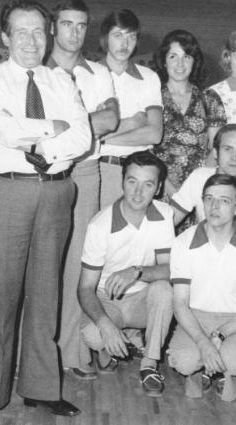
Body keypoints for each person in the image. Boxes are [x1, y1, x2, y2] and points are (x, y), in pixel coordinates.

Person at [0, 1, 91, 422]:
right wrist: (51, 129)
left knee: (46, 296)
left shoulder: (62, 80)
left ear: (49, 34)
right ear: (4, 37)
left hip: (57, 193)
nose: (31, 41)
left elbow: (83, 137)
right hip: (7, 192)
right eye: (21, 32)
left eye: (38, 31)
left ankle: (40, 388)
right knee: (1, 299)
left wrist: (38, 144)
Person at [45, 0, 120, 377]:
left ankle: (71, 353)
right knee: (43, 265)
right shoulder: (37, 71)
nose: (74, 32)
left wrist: (66, 126)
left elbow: (110, 119)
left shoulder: (98, 72)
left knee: (77, 264)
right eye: (67, 24)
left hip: (86, 172)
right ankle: (36, 356)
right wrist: (84, 124)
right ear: (53, 28)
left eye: (81, 25)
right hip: (45, 174)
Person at [78, 150, 174, 397]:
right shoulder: (100, 225)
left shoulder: (164, 215)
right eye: (132, 181)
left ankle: (149, 364)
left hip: (143, 298)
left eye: (148, 184)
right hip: (108, 300)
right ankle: (113, 345)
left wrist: (138, 272)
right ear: (122, 182)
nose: (138, 192)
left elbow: (171, 269)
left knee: (165, 289)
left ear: (159, 187)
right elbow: (85, 288)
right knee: (94, 335)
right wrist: (106, 326)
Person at [168, 174, 236, 402]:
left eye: (224, 200)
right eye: (209, 198)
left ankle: (229, 374)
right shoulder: (183, 242)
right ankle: (196, 371)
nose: (214, 206)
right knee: (184, 361)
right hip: (195, 316)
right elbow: (180, 304)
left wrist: (219, 335)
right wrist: (204, 343)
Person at [97, 9, 163, 208]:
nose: (124, 44)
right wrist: (134, 122)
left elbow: (154, 134)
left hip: (139, 171)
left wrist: (103, 137)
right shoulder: (87, 74)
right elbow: (83, 132)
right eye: (118, 35)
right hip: (102, 168)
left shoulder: (149, 77)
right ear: (105, 38)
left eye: (131, 37)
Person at [152, 29, 226, 201]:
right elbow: (146, 149)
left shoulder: (209, 99)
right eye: (173, 56)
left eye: (186, 57)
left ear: (195, 61)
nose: (180, 64)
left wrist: (196, 187)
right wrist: (172, 192)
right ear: (163, 61)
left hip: (198, 190)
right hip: (158, 187)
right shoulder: (152, 97)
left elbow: (216, 149)